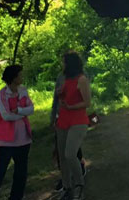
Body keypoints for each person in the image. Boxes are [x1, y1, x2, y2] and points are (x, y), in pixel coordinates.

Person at [0, 64, 33, 200]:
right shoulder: (2, 94)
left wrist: (20, 111)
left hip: (24, 140)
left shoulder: (23, 91)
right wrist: (23, 113)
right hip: (6, 141)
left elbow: (31, 108)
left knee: (21, 175)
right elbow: (6, 116)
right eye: (20, 75)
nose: (22, 77)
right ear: (13, 77)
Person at [55, 52, 92, 200]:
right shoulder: (65, 79)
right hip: (63, 120)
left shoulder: (82, 79)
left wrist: (71, 106)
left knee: (70, 154)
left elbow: (87, 102)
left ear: (70, 64)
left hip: (78, 121)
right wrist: (60, 95)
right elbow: (64, 97)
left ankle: (79, 184)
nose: (62, 65)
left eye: (64, 62)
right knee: (62, 157)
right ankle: (67, 187)